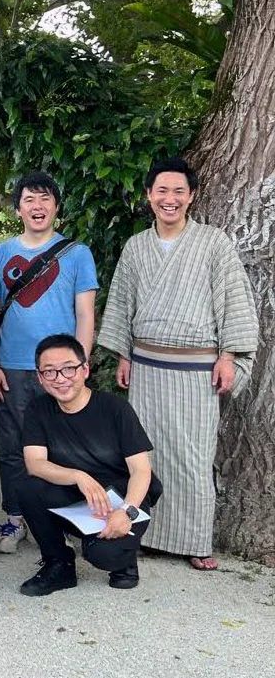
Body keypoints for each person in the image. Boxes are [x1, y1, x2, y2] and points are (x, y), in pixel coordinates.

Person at [98, 157, 258, 570]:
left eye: (178, 192)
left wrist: (229, 355)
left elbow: (234, 300)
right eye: (162, 191)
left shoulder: (213, 242)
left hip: (196, 368)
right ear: (149, 195)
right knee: (144, 452)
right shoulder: (136, 246)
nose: (170, 199)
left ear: (192, 196)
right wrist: (123, 354)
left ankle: (196, 540)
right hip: (147, 364)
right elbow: (122, 304)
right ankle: (148, 533)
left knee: (192, 454)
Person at [0, 171, 97, 555]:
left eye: (45, 198)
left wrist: (80, 365)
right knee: (14, 445)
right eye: (29, 199)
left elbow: (85, 314)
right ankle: (15, 516)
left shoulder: (77, 254)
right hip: (14, 366)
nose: (38, 206)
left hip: (63, 370)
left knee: (66, 445)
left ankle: (59, 516)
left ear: (56, 207)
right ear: (17, 208)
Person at [17, 334, 161, 595]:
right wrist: (79, 476)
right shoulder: (38, 410)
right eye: (50, 372)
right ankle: (58, 565)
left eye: (68, 368)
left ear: (85, 369)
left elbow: (141, 470)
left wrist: (126, 512)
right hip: (77, 494)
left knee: (104, 555)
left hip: (121, 498)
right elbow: (35, 464)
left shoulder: (115, 409)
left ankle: (124, 560)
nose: (60, 378)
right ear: (40, 377)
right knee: (27, 487)